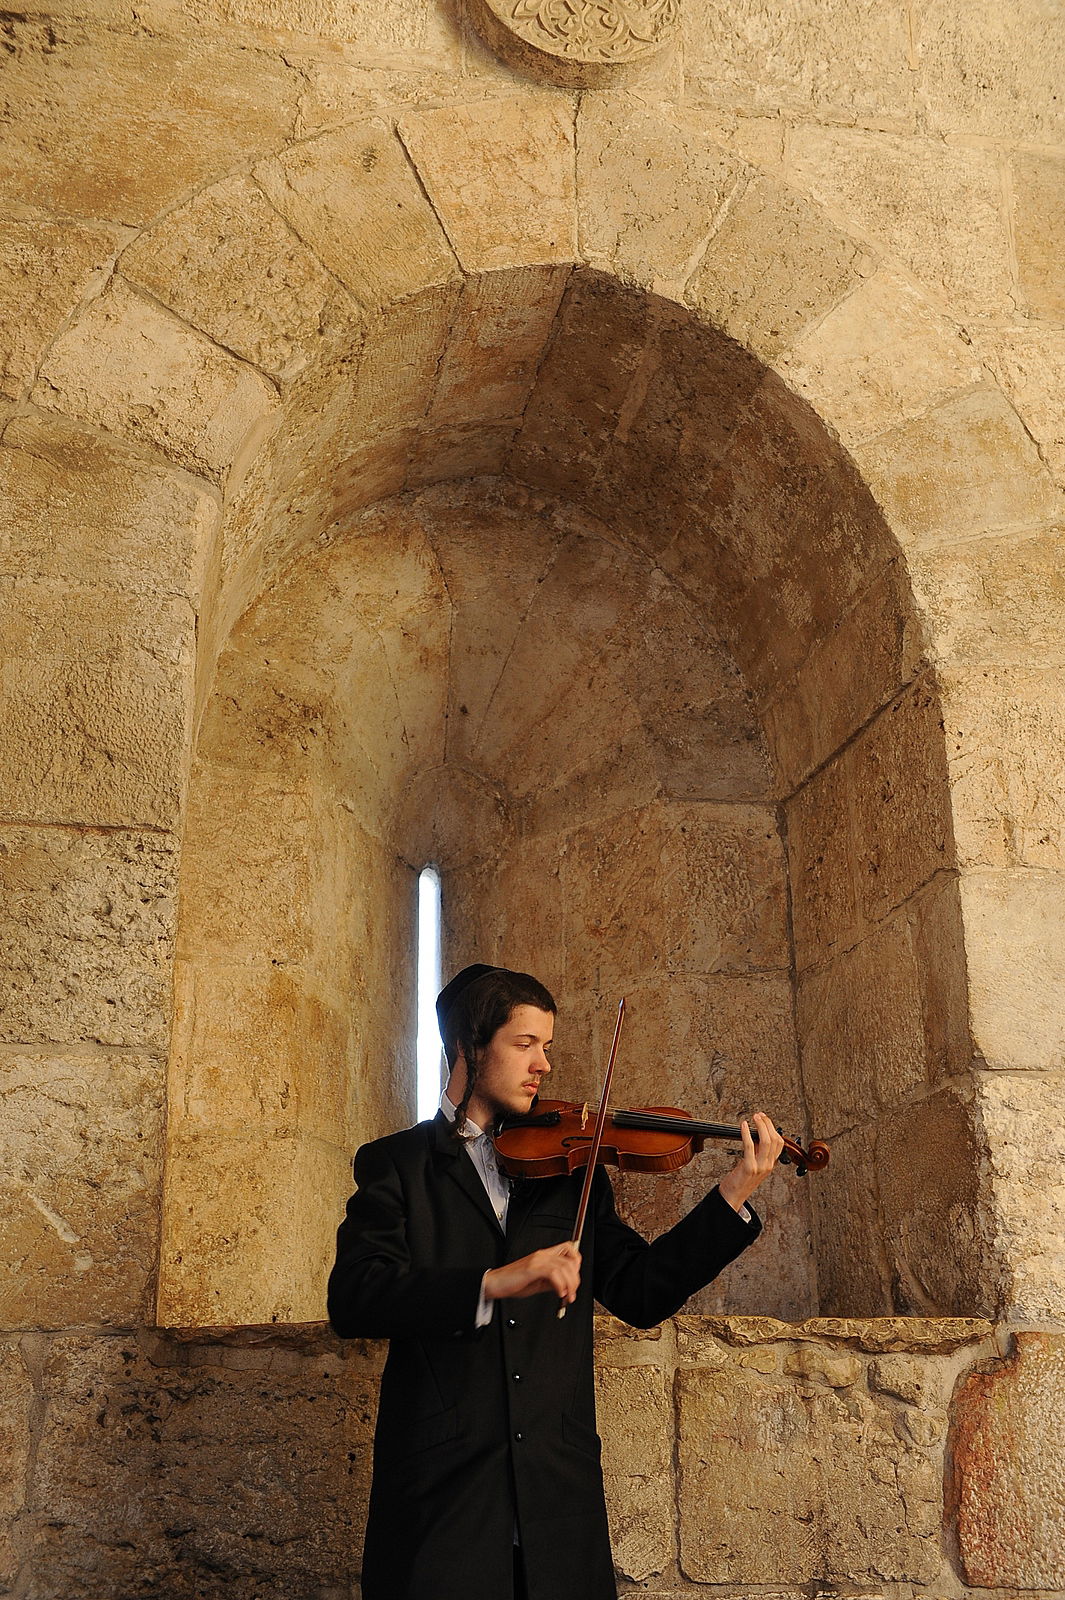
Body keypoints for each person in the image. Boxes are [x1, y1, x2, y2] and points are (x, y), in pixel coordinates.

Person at [327, 964, 784, 1600]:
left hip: (557, 1502)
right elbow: (355, 1297)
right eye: (524, 1045)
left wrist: (733, 1192)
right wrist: (491, 1283)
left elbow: (640, 1293)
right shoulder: (398, 1165)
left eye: (547, 1046)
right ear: (466, 1046)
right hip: (442, 1502)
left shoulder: (573, 1171)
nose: (543, 1065)